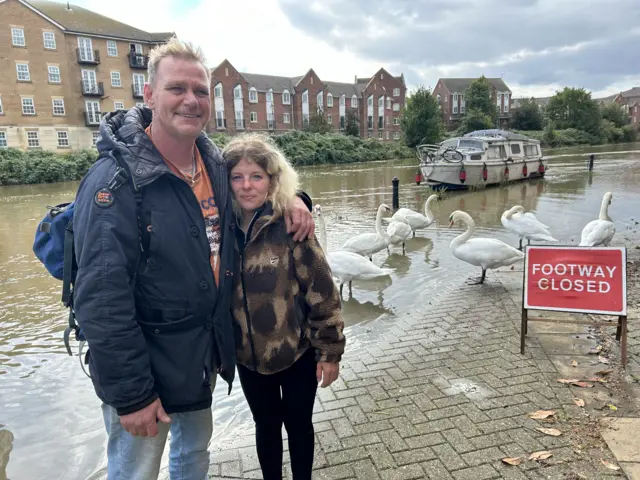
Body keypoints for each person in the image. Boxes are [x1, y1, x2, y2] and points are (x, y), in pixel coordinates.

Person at [71, 37, 314, 480]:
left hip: (198, 356)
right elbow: (101, 299)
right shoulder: (116, 181)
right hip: (145, 363)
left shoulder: (213, 165)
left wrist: (296, 199)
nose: (191, 100)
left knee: (193, 459)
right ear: (148, 95)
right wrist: (132, 395)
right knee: (135, 471)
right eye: (176, 88)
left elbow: (258, 188)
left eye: (201, 91)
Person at [223, 134, 346, 480]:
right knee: (265, 427)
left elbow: (322, 290)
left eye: (256, 176)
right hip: (248, 358)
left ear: (273, 180)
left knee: (299, 425)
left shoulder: (292, 225)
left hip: (297, 352)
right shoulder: (219, 229)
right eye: (237, 177)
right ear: (227, 182)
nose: (247, 186)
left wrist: (330, 352)